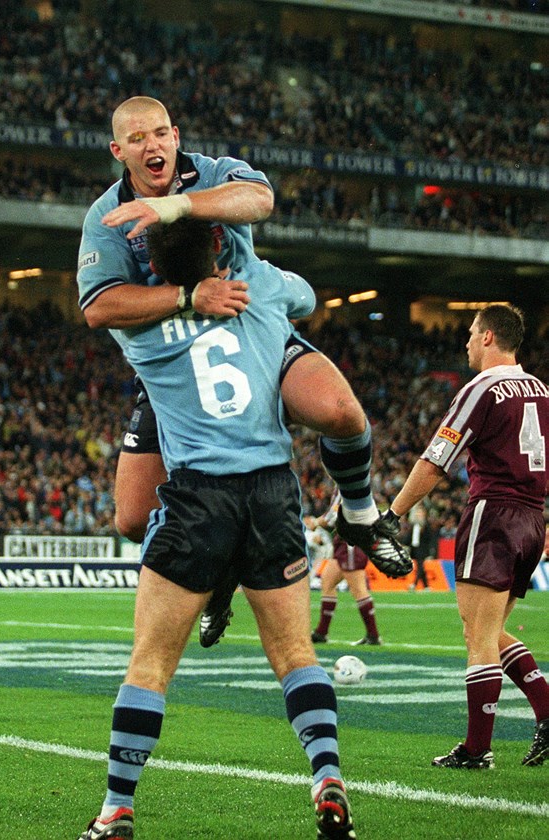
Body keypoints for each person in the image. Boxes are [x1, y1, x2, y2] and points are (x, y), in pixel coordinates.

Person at [77, 95, 411, 645]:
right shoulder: (106, 216)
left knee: (341, 413)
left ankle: (360, 514)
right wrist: (190, 296)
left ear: (176, 135)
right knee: (132, 519)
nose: (152, 145)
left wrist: (177, 208)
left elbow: (260, 198)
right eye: (137, 139)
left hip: (254, 335)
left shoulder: (208, 172)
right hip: (175, 372)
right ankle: (220, 577)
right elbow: (99, 307)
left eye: (160, 133)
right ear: (119, 151)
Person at [76, 218, 357, 840]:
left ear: (151, 267)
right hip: (272, 491)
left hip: (199, 495)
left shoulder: (138, 334)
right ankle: (327, 776)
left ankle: (116, 811)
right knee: (295, 655)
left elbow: (106, 303)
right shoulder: (260, 287)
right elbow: (305, 295)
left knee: (149, 666)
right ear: (220, 250)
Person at [387, 304, 549, 769]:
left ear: (488, 338)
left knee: (477, 638)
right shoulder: (540, 389)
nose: (465, 342)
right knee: (488, 630)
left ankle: (477, 748)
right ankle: (545, 710)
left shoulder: (483, 388)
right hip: (533, 518)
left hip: (493, 515)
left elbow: (437, 458)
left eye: (471, 333)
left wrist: (394, 513)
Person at [308, 490, 382, 646]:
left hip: (351, 541)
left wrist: (314, 523)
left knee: (358, 589)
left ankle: (373, 636)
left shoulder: (345, 485)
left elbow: (332, 516)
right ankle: (321, 632)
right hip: (344, 539)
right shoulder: (342, 485)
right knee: (327, 582)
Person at [402, 503, 438, 591]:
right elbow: (409, 537)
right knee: (421, 567)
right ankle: (426, 586)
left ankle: (414, 584)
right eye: (417, 513)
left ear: (424, 514)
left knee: (420, 566)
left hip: (422, 549)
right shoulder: (413, 525)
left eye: (420, 513)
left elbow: (431, 539)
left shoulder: (426, 526)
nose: (419, 515)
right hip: (414, 549)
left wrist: (432, 550)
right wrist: (403, 544)